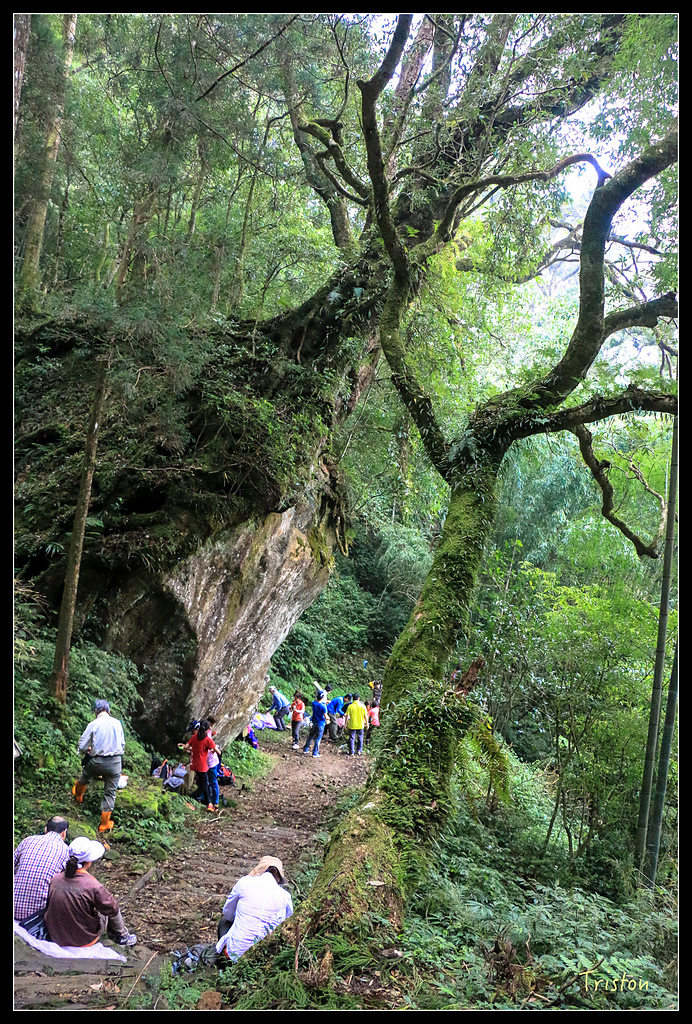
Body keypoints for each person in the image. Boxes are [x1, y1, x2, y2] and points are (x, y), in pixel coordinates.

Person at [44, 837, 136, 948]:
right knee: (109, 904)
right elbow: (113, 908)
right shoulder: (93, 885)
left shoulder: (56, 878)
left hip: (56, 936)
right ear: (89, 862)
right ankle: (123, 936)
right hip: (84, 939)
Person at [216, 856, 293, 961]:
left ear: (259, 871)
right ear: (278, 878)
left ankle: (223, 958)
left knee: (224, 921)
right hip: (266, 958)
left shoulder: (244, 883)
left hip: (235, 955)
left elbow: (227, 912)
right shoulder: (285, 896)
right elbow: (287, 923)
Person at [72, 699, 126, 833]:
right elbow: (122, 744)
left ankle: (78, 797)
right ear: (109, 711)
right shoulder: (117, 723)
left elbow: (82, 744)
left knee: (85, 776)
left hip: (97, 761)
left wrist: (86, 751)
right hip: (115, 762)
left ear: (96, 712)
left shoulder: (93, 724)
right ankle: (104, 825)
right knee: (110, 793)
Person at [14, 816, 70, 928]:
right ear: (64, 833)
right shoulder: (65, 850)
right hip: (35, 917)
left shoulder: (28, 840)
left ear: (46, 829)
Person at [183, 720, 223, 811]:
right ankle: (188, 800)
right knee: (203, 787)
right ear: (207, 729)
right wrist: (214, 750)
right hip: (202, 766)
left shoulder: (194, 737)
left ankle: (209, 804)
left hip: (195, 765)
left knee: (203, 784)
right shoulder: (207, 740)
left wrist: (185, 747)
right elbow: (218, 752)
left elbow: (186, 746)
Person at [303, 689, 328, 758]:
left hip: (314, 722)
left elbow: (319, 704)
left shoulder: (313, 703)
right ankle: (315, 752)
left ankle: (305, 748)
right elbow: (326, 716)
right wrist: (328, 718)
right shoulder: (324, 707)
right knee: (318, 738)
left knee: (311, 736)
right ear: (322, 697)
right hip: (321, 724)